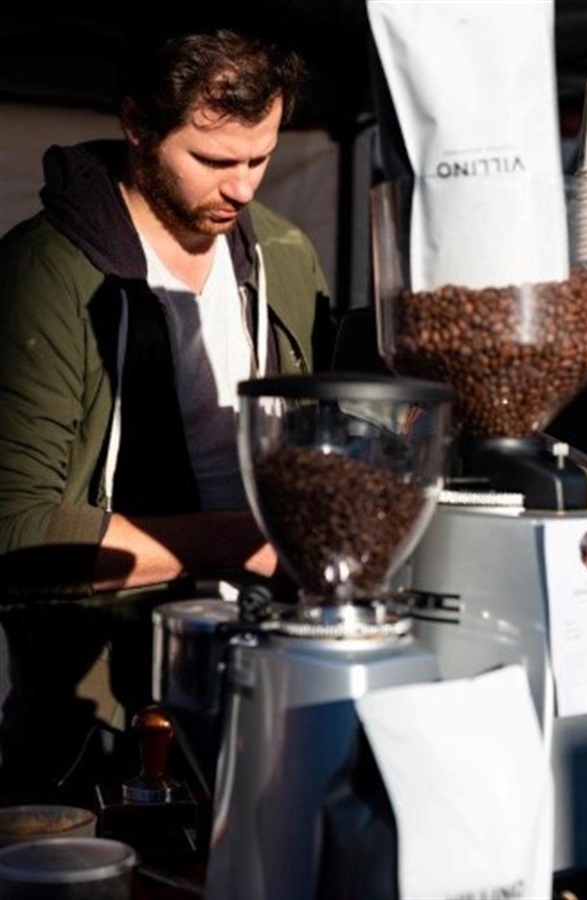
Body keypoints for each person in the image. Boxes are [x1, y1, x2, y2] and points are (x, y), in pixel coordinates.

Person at [0, 24, 336, 804]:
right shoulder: (45, 274)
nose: (243, 188)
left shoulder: (284, 254)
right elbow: (14, 527)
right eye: (213, 161)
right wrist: (244, 542)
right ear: (137, 125)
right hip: (96, 716)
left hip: (263, 682)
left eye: (260, 158)